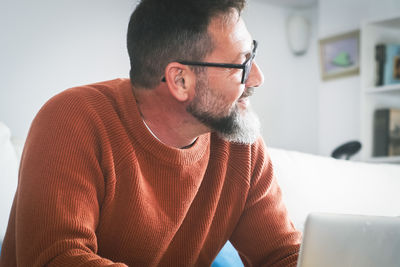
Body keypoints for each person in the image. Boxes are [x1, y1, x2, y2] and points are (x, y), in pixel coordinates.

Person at [0, 0, 301, 266]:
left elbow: (283, 255)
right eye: (241, 65)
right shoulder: (73, 119)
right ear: (180, 80)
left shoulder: (239, 142)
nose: (258, 78)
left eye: (253, 54)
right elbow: (58, 259)